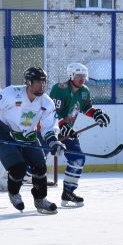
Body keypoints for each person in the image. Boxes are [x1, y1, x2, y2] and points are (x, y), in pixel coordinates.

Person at [0, 66, 65, 214]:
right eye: (38, 81)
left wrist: (53, 141)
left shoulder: (46, 102)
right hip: (4, 136)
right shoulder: (11, 93)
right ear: (28, 82)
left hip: (28, 137)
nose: (42, 85)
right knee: (18, 169)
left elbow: (49, 126)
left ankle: (40, 199)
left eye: (43, 81)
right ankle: (14, 193)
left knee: (40, 168)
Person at [49, 62, 111, 207]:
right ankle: (13, 183)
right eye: (78, 75)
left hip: (67, 132)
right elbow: (52, 113)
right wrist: (62, 126)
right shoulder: (60, 89)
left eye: (84, 76)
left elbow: (86, 108)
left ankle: (68, 193)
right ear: (70, 75)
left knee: (78, 159)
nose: (82, 78)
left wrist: (96, 114)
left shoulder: (84, 91)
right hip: (48, 130)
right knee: (34, 162)